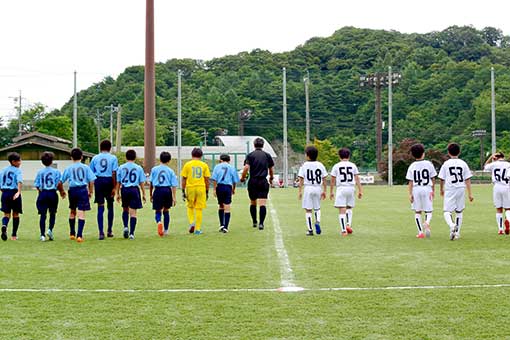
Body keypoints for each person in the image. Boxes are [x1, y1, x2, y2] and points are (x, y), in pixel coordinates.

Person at [438, 143, 473, 241]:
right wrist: (470, 193)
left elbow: (441, 178)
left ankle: (452, 225)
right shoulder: (463, 163)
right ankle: (457, 233)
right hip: (461, 188)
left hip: (450, 189)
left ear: (448, 152)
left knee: (447, 211)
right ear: (459, 152)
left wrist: (441, 189)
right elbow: (467, 179)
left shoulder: (446, 163)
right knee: (459, 211)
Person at [61, 148, 96, 243]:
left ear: (71, 157)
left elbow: (61, 181)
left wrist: (62, 191)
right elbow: (92, 180)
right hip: (82, 190)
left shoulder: (69, 168)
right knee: (81, 212)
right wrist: (91, 191)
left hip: (72, 190)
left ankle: (72, 233)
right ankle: (79, 235)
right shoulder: (85, 167)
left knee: (72, 211)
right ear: (81, 157)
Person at [240, 138, 274, 230]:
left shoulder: (250, 155)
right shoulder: (267, 155)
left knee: (253, 202)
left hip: (253, 181)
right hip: (263, 181)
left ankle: (254, 221)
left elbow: (246, 168)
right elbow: (271, 169)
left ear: (254, 145)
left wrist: (243, 178)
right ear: (263, 145)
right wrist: (271, 178)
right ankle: (261, 223)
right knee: (262, 203)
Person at [405, 143, 437, 239]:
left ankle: (420, 232)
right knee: (428, 210)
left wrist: (410, 194)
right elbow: (433, 178)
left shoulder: (412, 166)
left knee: (417, 211)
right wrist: (433, 190)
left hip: (416, 189)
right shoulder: (429, 164)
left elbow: (410, 181)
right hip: (427, 188)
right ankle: (426, 222)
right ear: (423, 153)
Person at [89, 140, 118, 239]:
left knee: (100, 206)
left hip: (99, 181)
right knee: (110, 205)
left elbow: (91, 173)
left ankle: (101, 232)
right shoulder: (113, 158)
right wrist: (114, 187)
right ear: (110, 148)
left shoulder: (95, 158)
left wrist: (91, 188)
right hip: (109, 180)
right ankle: (109, 230)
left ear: (100, 148)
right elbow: (114, 173)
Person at [330, 148, 363, 236]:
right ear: (349, 156)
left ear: (339, 156)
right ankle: (348, 224)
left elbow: (332, 180)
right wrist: (360, 190)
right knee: (349, 208)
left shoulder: (336, 166)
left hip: (341, 188)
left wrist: (331, 191)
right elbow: (357, 178)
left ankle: (344, 230)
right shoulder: (353, 165)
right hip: (351, 188)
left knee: (342, 209)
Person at [34, 151, 66, 241]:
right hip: (52, 193)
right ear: (52, 161)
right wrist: (62, 192)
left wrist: (40, 193)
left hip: (43, 193)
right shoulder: (56, 172)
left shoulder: (40, 172)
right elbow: (59, 184)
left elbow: (37, 185)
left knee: (43, 215)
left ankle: (42, 235)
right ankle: (50, 230)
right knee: (52, 213)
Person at [116, 149, 146, 240]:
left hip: (124, 189)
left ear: (126, 157)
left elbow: (118, 182)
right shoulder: (138, 168)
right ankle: (132, 233)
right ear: (135, 157)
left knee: (125, 208)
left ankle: (125, 226)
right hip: (134, 189)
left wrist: (117, 193)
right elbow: (141, 182)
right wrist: (144, 193)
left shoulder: (121, 167)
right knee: (133, 213)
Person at [297, 145, 327, 236]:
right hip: (318, 187)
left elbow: (301, 179)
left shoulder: (304, 165)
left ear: (308, 155)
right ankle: (317, 221)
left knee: (308, 209)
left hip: (308, 188)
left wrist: (300, 191)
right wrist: (324, 190)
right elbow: (324, 178)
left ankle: (310, 230)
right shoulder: (320, 165)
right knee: (317, 208)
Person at [181, 148, 210, 235]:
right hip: (201, 187)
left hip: (190, 187)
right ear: (201, 156)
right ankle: (197, 229)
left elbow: (184, 178)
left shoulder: (187, 165)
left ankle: (191, 222)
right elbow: (207, 179)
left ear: (192, 155)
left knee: (190, 207)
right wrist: (207, 191)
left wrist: (183, 190)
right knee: (199, 208)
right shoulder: (204, 165)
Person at [149, 151, 178, 237]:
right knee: (166, 210)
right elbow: (174, 185)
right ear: (169, 160)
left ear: (160, 159)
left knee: (158, 210)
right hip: (167, 190)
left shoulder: (154, 169)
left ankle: (159, 222)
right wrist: (174, 197)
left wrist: (151, 194)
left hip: (158, 190)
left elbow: (151, 183)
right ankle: (166, 230)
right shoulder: (170, 171)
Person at [211, 154, 240, 233]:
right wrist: (233, 189)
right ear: (229, 160)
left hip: (219, 187)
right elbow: (234, 181)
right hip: (228, 187)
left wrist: (214, 189)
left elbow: (214, 179)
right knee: (227, 206)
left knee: (220, 206)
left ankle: (221, 225)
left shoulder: (217, 167)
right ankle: (226, 227)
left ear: (220, 160)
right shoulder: (231, 167)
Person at [483, 152, 510, 235]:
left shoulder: (494, 164)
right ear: (503, 157)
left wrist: (491, 157)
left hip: (496, 187)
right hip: (506, 186)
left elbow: (485, 166)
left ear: (496, 157)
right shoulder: (508, 164)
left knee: (499, 209)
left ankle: (500, 229)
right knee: (508, 209)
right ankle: (508, 220)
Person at [0, 152, 23, 241]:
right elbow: (19, 181)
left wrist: (3, 191)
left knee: (6, 214)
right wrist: (18, 192)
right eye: (18, 161)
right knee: (16, 214)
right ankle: (14, 235)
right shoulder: (17, 170)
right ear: (13, 161)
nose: (20, 162)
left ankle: (4, 225)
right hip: (14, 193)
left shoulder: (3, 170)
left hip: (5, 193)